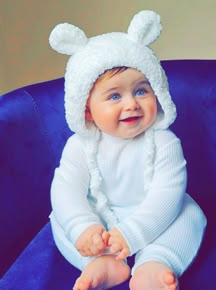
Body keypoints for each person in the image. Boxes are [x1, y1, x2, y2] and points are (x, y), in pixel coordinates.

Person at [49, 10, 207, 290]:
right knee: (61, 217)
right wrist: (83, 227)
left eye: (141, 91)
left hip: (155, 216)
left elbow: (166, 194)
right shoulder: (80, 145)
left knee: (188, 213)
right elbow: (66, 189)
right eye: (114, 96)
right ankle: (100, 262)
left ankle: (156, 262)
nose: (131, 104)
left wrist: (134, 233)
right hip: (101, 218)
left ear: (158, 92)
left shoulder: (165, 142)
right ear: (86, 109)